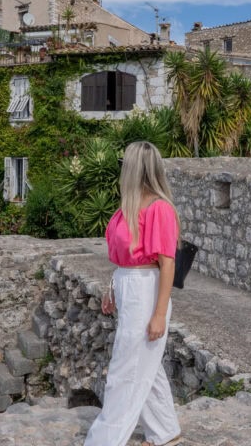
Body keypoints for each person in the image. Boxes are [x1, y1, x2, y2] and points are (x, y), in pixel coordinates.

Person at [84, 141, 182, 446]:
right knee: (146, 368)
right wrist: (111, 288)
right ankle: (166, 432)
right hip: (129, 287)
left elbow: (167, 264)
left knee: (124, 370)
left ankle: (103, 441)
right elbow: (124, 258)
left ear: (135, 167)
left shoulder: (159, 209)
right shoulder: (127, 205)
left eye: (125, 162)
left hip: (146, 293)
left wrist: (158, 315)